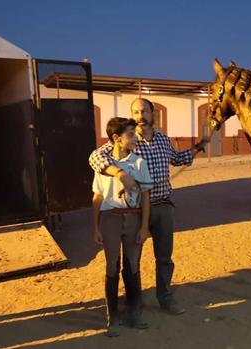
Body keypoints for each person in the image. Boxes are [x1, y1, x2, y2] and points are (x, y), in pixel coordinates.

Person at [89, 98, 209, 315]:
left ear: (153, 114)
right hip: (135, 211)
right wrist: (119, 172)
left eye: (144, 111)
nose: (140, 115)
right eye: (135, 111)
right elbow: (95, 157)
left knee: (164, 257)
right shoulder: (127, 140)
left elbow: (177, 158)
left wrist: (198, 148)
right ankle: (134, 300)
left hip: (163, 206)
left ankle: (165, 299)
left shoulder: (163, 140)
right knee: (132, 259)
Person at [92, 117, 152, 336]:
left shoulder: (139, 163)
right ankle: (113, 316)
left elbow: (146, 196)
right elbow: (97, 197)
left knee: (132, 265)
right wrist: (96, 228)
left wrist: (144, 226)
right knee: (111, 266)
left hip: (133, 219)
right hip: (110, 219)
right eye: (130, 134)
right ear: (116, 138)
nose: (135, 137)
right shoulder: (105, 165)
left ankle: (134, 313)